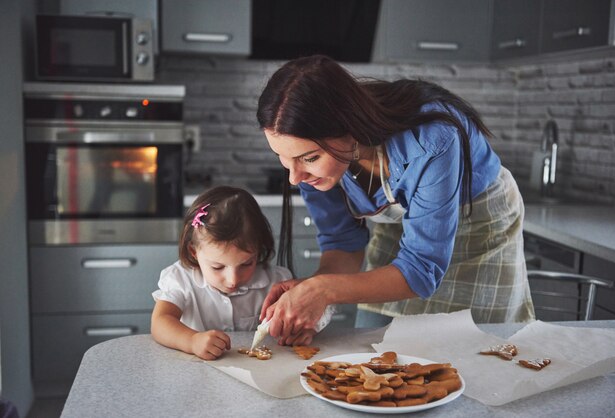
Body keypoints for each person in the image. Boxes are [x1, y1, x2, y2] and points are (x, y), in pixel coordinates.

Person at [256, 55, 535, 343]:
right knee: (374, 341)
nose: (294, 178)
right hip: (403, 231)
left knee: (479, 348)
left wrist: (323, 290)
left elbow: (421, 270)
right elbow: (343, 244)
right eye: (284, 160)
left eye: (310, 158)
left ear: (350, 126)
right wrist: (312, 292)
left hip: (479, 223)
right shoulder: (308, 168)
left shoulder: (433, 139)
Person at [151, 186, 328, 360]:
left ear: (259, 249)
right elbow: (160, 322)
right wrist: (191, 341)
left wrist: (307, 330)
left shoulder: (278, 281)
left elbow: (319, 306)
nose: (233, 280)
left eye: (246, 264)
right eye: (218, 267)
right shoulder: (180, 279)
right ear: (194, 252)